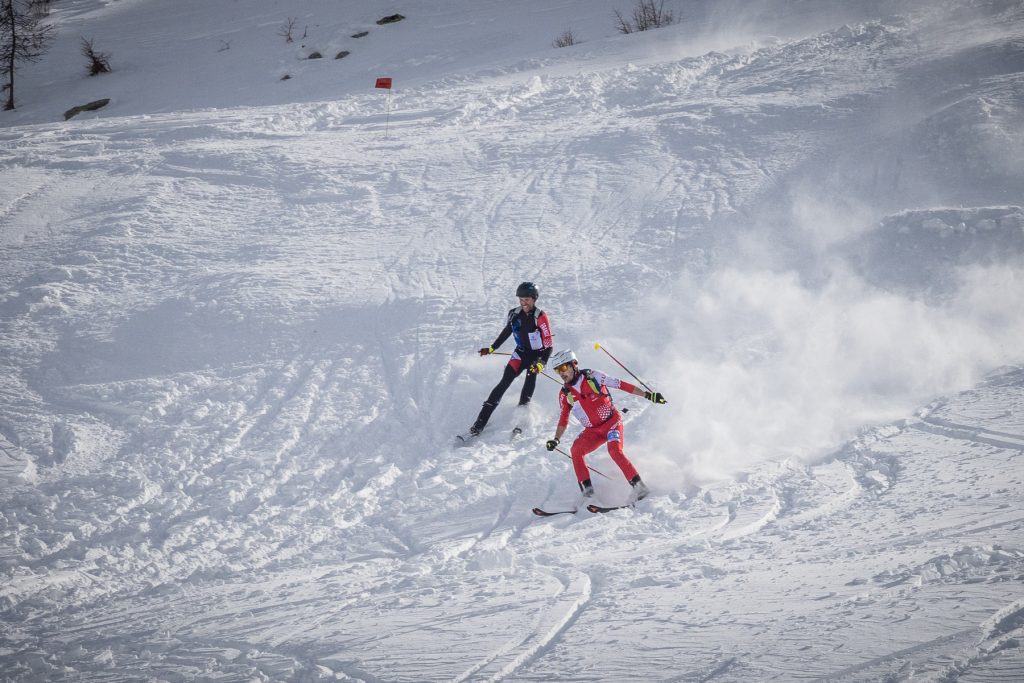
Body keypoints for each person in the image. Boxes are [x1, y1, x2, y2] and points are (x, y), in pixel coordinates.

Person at [544, 349, 667, 502]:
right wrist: (556, 439)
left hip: (612, 423)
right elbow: (563, 418)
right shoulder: (564, 394)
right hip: (593, 432)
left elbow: (621, 385)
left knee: (614, 450)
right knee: (576, 450)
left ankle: (640, 487)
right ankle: (588, 494)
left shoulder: (593, 376)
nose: (561, 373)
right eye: (557, 370)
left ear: (574, 364)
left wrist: (648, 395)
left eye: (563, 368)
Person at [468, 282, 554, 436]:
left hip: (536, 357)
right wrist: (492, 348)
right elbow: (507, 331)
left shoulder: (540, 317)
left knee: (528, 385)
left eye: (527, 299)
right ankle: (479, 423)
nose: (523, 302)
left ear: (534, 299)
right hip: (520, 354)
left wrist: (542, 363)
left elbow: (548, 345)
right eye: (521, 299)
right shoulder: (514, 313)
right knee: (503, 384)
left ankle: (521, 422)